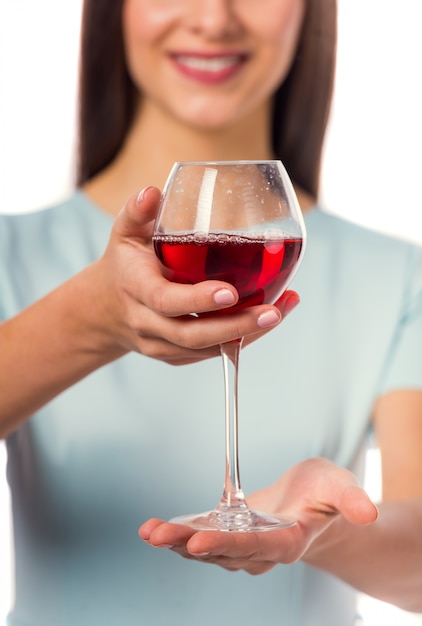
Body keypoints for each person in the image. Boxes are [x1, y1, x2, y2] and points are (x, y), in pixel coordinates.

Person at [1, 0, 421, 625]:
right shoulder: (12, 255)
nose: (214, 18)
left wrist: (322, 532)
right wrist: (91, 318)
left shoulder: (398, 276)